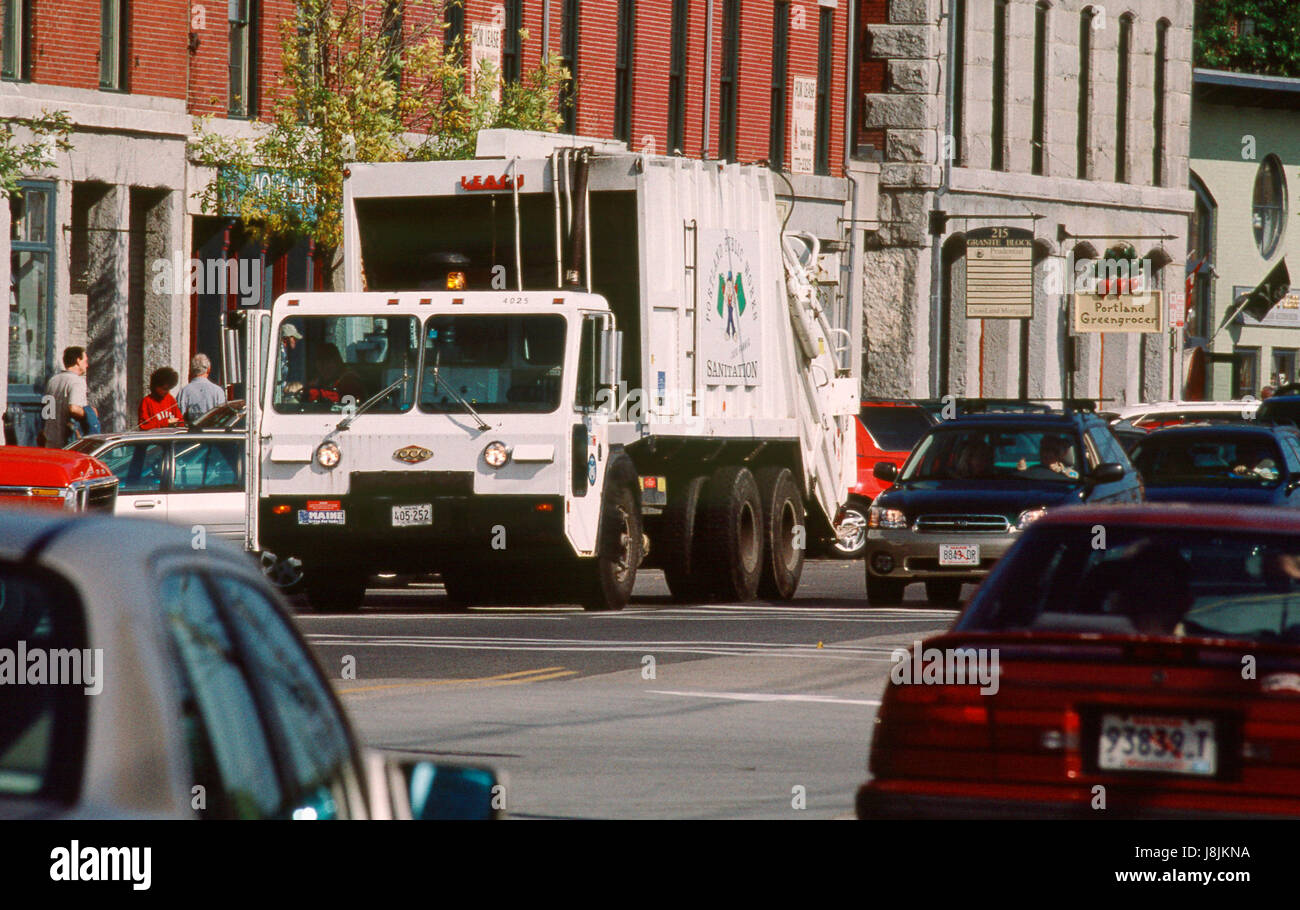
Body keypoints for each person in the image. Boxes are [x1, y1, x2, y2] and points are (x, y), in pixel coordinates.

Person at [42, 346, 90, 448]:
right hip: (68, 443)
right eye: (85, 361)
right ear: (78, 360)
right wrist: (90, 412)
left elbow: (45, 411)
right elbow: (73, 408)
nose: (87, 365)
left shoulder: (53, 381)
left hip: (50, 441)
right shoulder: (76, 381)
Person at [177, 354, 228, 424]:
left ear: (191, 370)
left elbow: (180, 419)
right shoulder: (218, 391)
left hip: (190, 433)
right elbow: (222, 417)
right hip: (213, 432)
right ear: (209, 369)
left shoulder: (184, 391)